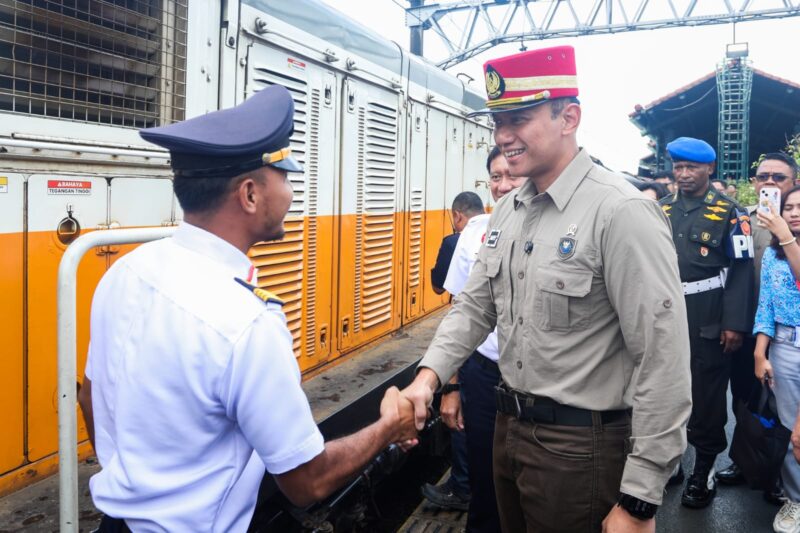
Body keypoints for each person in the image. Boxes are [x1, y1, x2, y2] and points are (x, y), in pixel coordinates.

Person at [76, 85, 417, 532]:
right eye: (285, 176)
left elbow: (89, 395)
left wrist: (140, 480)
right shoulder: (246, 323)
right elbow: (307, 480)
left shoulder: (125, 272)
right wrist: (389, 427)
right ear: (251, 194)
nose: (292, 193)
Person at [401, 45, 691, 533]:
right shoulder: (511, 210)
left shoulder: (620, 212)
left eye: (520, 118)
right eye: (498, 122)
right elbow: (474, 306)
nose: (503, 136)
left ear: (569, 117)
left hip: (580, 451)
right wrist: (428, 378)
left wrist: (640, 498)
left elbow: (662, 357)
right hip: (508, 431)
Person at [659, 137, 755, 509]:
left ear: (709, 169)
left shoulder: (731, 213)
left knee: (707, 394)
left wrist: (734, 323)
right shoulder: (662, 209)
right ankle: (670, 463)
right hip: (667, 310)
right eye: (678, 167)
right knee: (664, 389)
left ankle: (704, 469)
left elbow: (741, 271)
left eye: (691, 168)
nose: (683, 174)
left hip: (708, 311)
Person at [438, 147, 526, 532]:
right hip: (484, 374)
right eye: (495, 176)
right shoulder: (473, 233)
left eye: (511, 175)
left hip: (538, 381)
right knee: (485, 482)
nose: (502, 185)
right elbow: (459, 310)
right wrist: (451, 386)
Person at [718, 152, 799, 499]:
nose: (769, 183)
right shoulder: (742, 219)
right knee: (748, 400)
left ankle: (783, 475)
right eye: (763, 176)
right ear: (753, 183)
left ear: (793, 182)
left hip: (786, 334)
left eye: (778, 178)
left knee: (787, 411)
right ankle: (751, 460)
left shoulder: (789, 223)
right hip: (750, 329)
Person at [423, 191, 486, 511]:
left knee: (463, 416)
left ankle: (462, 486)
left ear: (458, 216)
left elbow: (442, 289)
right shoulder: (498, 229)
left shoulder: (456, 241)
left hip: (476, 344)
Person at [752, 184, 800, 533]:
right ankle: (795, 499)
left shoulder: (785, 245)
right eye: (790, 207)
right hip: (784, 344)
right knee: (790, 429)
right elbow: (766, 303)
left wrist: (786, 238)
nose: (794, 212)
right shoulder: (772, 255)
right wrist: (760, 350)